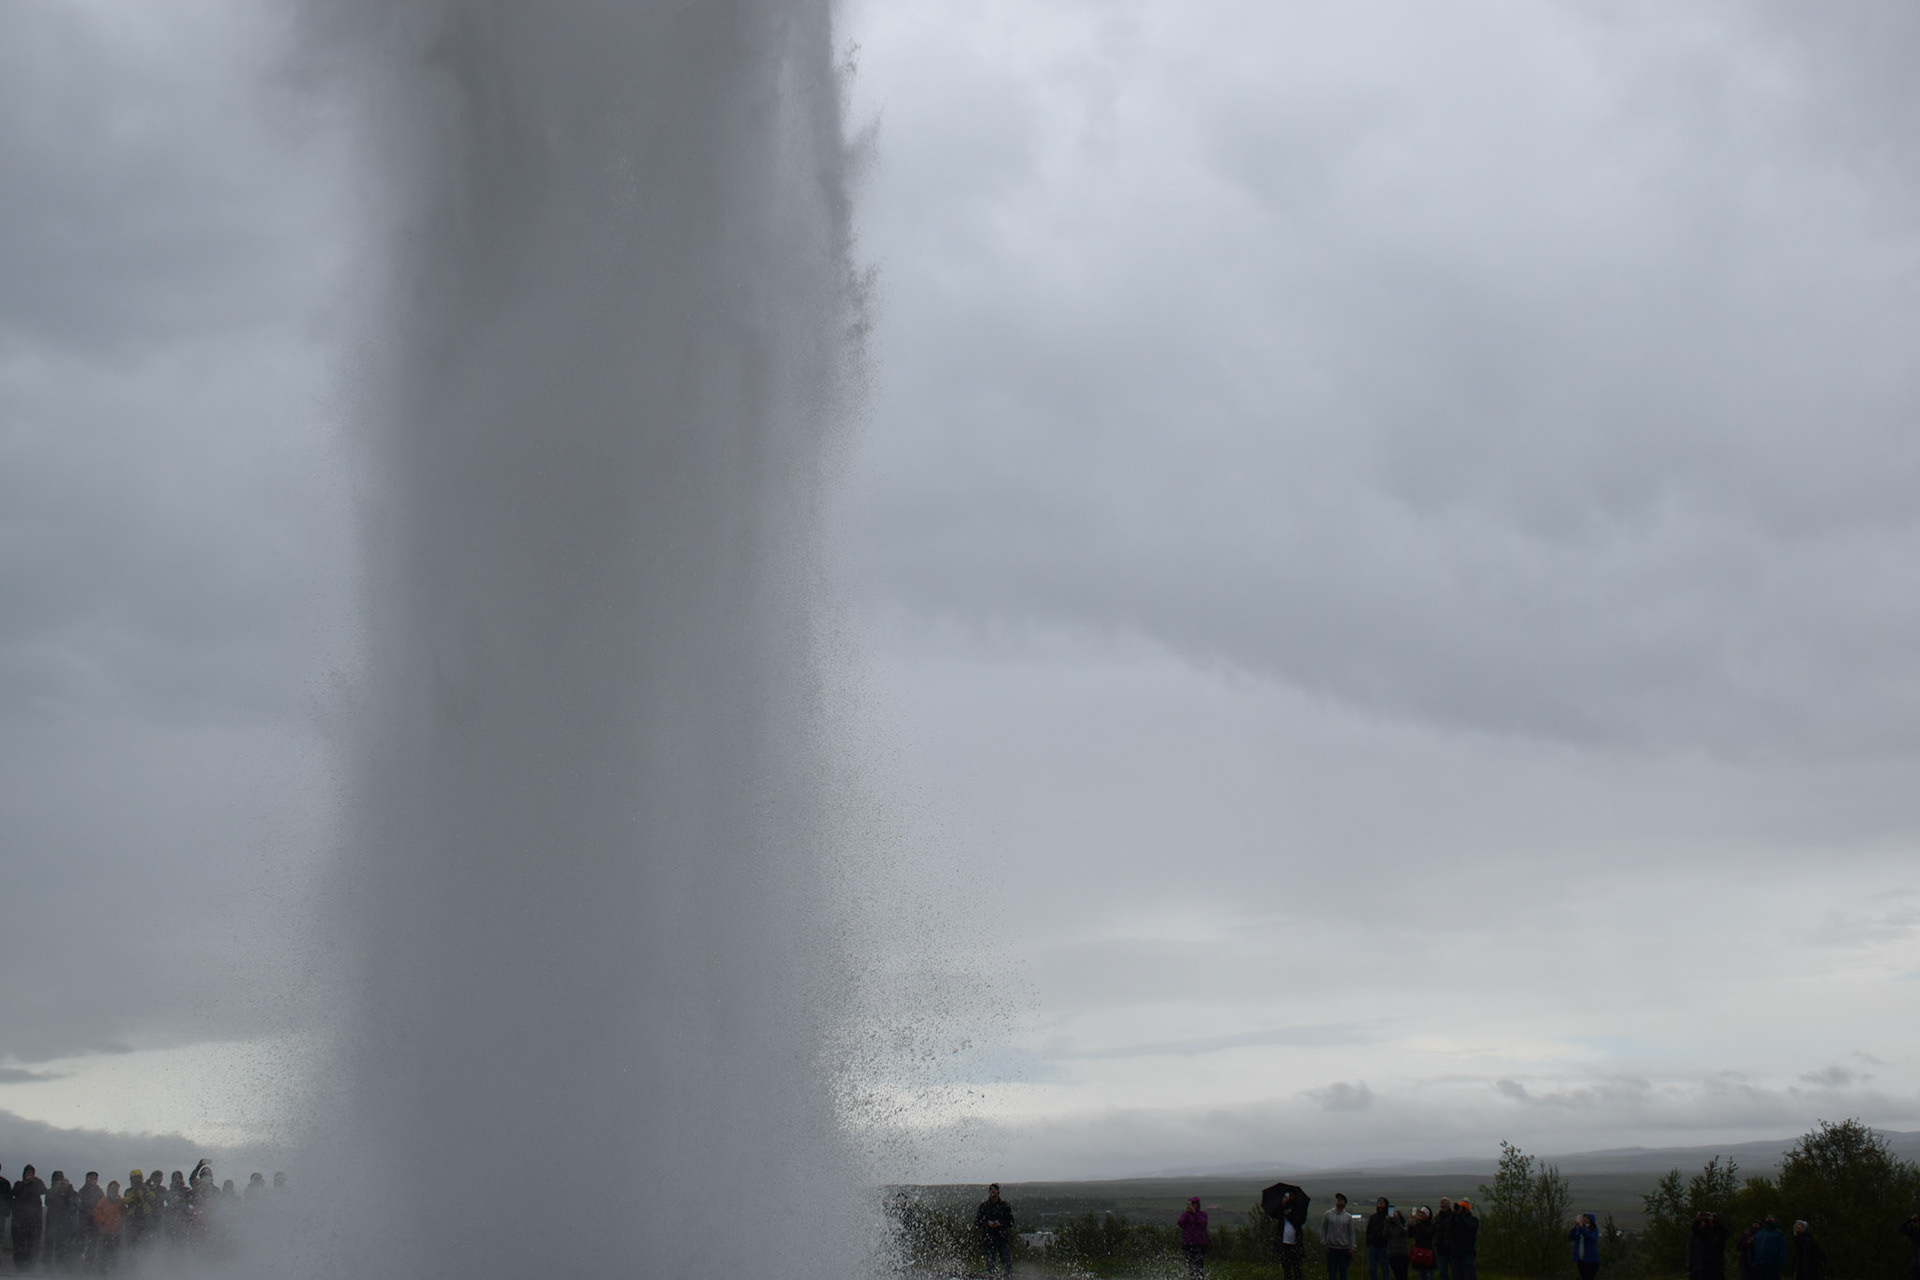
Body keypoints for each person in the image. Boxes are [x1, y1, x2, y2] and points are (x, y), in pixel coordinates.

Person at [975, 1183, 1014, 1278]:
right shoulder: (984, 1206)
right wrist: (987, 1223)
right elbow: (977, 1222)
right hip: (989, 1239)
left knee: (1007, 1263)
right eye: (991, 1190)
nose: (993, 1191)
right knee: (990, 1266)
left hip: (1002, 1238)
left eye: (994, 1189)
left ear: (998, 1191)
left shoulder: (1004, 1206)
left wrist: (1000, 1223)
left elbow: (1011, 1222)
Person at [12, 1163, 47, 1270]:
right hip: (20, 1219)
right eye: (27, 1172)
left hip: (34, 1219)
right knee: (19, 1243)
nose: (29, 1174)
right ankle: (20, 1266)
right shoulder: (19, 1184)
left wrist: (35, 1181)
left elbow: (44, 1190)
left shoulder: (37, 1184)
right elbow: (14, 1192)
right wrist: (25, 1183)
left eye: (31, 1173)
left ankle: (31, 1266)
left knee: (34, 1244)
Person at [47, 1172, 79, 1270]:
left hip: (65, 1223)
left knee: (64, 1246)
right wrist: (55, 1190)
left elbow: (73, 1201)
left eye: (60, 1180)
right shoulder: (52, 1191)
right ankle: (49, 1266)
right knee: (50, 1245)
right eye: (56, 1180)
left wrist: (68, 1187)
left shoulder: (69, 1192)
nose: (59, 1182)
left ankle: (63, 1266)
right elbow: (47, 1202)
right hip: (53, 1221)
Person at [1323, 1194, 1357, 1280]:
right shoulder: (1328, 1214)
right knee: (1332, 1273)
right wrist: (1324, 1244)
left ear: (1344, 1203)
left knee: (1343, 1273)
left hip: (1344, 1249)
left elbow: (1351, 1233)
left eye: (1341, 1200)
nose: (1339, 1201)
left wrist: (1353, 1248)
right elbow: (1324, 1229)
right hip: (1331, 1248)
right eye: (1338, 1199)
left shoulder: (1348, 1217)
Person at [1276, 1190, 1308, 1280]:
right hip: (1284, 1242)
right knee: (1286, 1267)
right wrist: (1282, 1205)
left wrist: (1289, 1215)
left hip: (1295, 1243)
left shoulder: (1297, 1208)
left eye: (1290, 1196)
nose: (1288, 1198)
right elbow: (1275, 1214)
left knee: (1297, 1267)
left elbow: (1300, 1221)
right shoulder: (1282, 1209)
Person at [93, 1181, 124, 1273]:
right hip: (105, 1233)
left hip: (116, 1233)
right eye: (112, 1188)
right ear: (109, 1189)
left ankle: (113, 1272)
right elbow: (96, 1214)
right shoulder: (103, 1201)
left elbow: (124, 1214)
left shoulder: (121, 1202)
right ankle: (102, 1273)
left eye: (116, 1189)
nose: (114, 1190)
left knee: (114, 1254)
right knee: (103, 1255)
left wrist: (120, 1223)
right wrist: (104, 1221)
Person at [1690, 1212, 1730, 1280]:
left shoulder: (1720, 1232)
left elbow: (1724, 1231)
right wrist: (1697, 1220)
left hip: (1717, 1265)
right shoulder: (1706, 1233)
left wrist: (1715, 1220)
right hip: (1705, 1266)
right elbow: (1695, 1230)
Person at [1179, 1196, 1211, 1280]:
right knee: (1191, 1264)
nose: (1193, 1206)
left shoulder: (1202, 1215)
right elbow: (1180, 1223)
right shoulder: (1185, 1215)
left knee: (1199, 1264)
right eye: (1191, 1204)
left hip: (1200, 1243)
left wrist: (1195, 1214)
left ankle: (1199, 1278)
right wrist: (1187, 1214)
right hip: (1188, 1244)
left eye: (1194, 1204)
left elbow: (1203, 1223)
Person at [79, 1171, 105, 1269]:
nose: (93, 1180)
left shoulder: (99, 1191)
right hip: (84, 1220)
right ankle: (79, 1263)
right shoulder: (82, 1191)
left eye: (94, 1179)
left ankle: (89, 1265)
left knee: (93, 1243)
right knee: (82, 1242)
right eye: (90, 1178)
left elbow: (103, 1204)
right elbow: (79, 1204)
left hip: (95, 1220)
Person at [1366, 1198, 1393, 1280]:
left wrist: (1391, 1220)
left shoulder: (1389, 1218)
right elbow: (1368, 1231)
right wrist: (1369, 1242)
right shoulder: (1373, 1217)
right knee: (1371, 1269)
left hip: (1384, 1246)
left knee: (1385, 1269)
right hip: (1373, 1246)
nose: (1380, 1205)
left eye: (1382, 1203)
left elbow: (1393, 1230)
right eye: (1379, 1203)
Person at [1452, 1200, 1479, 1280]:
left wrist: (1460, 1216)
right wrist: (1453, 1215)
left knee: (1469, 1276)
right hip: (1456, 1254)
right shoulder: (1456, 1220)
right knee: (1457, 1276)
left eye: (1462, 1208)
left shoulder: (1473, 1220)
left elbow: (1467, 1227)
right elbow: (1449, 1228)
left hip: (1468, 1253)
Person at [1569, 1212, 1601, 1280]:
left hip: (1592, 1260)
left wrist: (1582, 1228)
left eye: (1587, 1218)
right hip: (1581, 1259)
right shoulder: (1579, 1229)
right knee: (1583, 1277)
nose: (1585, 1219)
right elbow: (1571, 1237)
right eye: (1584, 1218)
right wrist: (1575, 1227)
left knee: (1588, 1277)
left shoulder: (1594, 1230)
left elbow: (1591, 1238)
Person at [1410, 1207, 1437, 1280]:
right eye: (1421, 1213)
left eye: (1423, 1213)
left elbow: (1428, 1233)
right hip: (1418, 1253)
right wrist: (1411, 1224)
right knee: (1420, 1275)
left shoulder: (1431, 1224)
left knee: (1429, 1275)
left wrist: (1420, 1223)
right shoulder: (1418, 1225)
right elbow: (1410, 1234)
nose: (1421, 1215)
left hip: (1428, 1253)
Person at [1434, 1198, 1455, 1280]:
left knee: (1455, 1272)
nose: (1442, 1201)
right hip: (1440, 1248)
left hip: (1451, 1248)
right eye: (1441, 1200)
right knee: (1442, 1273)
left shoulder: (1453, 1217)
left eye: (1445, 1200)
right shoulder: (1437, 1217)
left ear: (1449, 1204)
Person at [1386, 1207, 1410, 1280]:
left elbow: (1403, 1231)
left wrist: (1397, 1221)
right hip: (1392, 1254)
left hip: (1402, 1254)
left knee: (1403, 1275)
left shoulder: (1403, 1226)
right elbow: (1384, 1233)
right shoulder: (1389, 1226)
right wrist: (1387, 1221)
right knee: (1396, 1275)